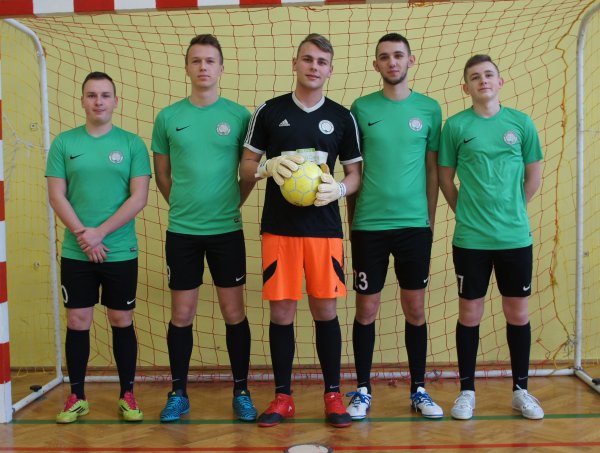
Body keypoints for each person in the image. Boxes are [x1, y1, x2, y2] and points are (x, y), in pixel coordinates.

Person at [239, 33, 362, 428]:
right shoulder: (269, 111)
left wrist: (339, 189)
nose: (314, 67)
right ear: (295, 63)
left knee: (326, 310)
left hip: (325, 230)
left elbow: (355, 174)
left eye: (321, 62)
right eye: (307, 59)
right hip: (279, 229)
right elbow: (245, 167)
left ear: (330, 70)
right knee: (282, 312)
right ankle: (283, 397)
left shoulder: (342, 117)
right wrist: (265, 167)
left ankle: (333, 396)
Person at [151, 34, 257, 423]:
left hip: (226, 230)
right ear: (187, 68)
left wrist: (230, 204)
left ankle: (241, 391)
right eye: (196, 61)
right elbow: (163, 175)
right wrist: (184, 206)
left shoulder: (239, 116)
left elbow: (248, 173)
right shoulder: (168, 118)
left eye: (210, 61)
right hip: (183, 232)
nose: (203, 67)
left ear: (221, 68)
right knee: (182, 313)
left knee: (234, 312)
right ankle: (178, 393)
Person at [438, 54, 544, 420]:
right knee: (470, 313)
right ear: (465, 87)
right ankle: (466, 392)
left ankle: (521, 391)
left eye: (488, 75)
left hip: (515, 238)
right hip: (471, 240)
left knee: (517, 312)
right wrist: (465, 212)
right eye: (474, 77)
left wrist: (512, 209)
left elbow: (533, 176)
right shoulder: (455, 126)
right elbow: (445, 179)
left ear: (500, 82)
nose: (482, 80)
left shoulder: (521, 123)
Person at [345, 33, 443, 420]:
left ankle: (419, 389)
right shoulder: (360, 108)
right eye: (384, 57)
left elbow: (432, 170)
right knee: (366, 308)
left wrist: (429, 220)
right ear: (376, 65)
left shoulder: (429, 109)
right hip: (369, 225)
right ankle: (362, 390)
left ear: (410, 60)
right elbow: (353, 168)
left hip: (414, 227)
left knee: (415, 308)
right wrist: (352, 222)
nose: (392, 62)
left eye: (398, 55)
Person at [46, 71, 151, 424]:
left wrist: (100, 234)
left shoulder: (132, 144)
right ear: (82, 101)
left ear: (115, 101)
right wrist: (83, 235)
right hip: (77, 251)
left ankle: (127, 394)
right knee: (78, 320)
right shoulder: (64, 143)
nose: (98, 101)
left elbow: (138, 198)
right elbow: (57, 195)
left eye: (105, 95)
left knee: (121, 319)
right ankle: (77, 396)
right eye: (92, 95)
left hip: (119, 251)